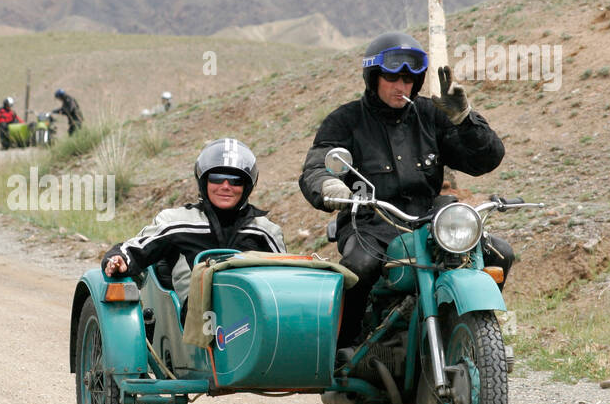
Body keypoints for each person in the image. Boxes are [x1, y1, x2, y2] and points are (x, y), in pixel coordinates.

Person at [299, 31, 512, 348]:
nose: (401, 86)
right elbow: (317, 166)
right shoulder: (345, 121)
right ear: (374, 77)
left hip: (429, 222)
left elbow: (485, 160)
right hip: (370, 222)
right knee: (358, 269)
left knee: (499, 253)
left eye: (409, 79)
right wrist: (330, 186)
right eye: (392, 77)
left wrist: (466, 120)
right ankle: (345, 347)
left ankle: (465, 329)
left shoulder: (432, 115)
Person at [103, 139, 285, 310]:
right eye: (217, 178)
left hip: (253, 317)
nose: (226, 186)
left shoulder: (265, 230)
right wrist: (119, 260)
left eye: (236, 181)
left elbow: (285, 281)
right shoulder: (175, 222)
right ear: (204, 181)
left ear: (247, 186)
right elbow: (133, 250)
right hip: (194, 322)